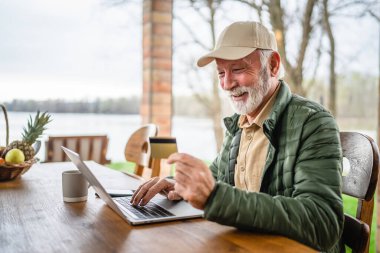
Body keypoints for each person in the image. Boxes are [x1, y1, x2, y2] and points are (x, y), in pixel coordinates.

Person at [131, 21, 343, 253]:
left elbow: (323, 223)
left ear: (272, 65)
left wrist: (215, 198)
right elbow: (216, 181)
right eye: (221, 73)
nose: (227, 84)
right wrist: (180, 185)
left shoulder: (313, 122)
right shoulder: (239, 124)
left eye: (238, 70)